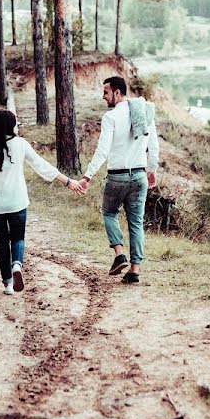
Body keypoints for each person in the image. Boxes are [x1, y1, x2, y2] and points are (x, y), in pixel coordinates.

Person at [0, 110, 84, 295]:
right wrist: (69, 182)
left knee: (2, 242)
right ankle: (17, 265)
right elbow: (42, 166)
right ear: (11, 126)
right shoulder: (20, 144)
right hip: (17, 202)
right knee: (18, 238)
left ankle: (7, 285)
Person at [80, 76, 160, 284]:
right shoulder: (144, 112)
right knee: (136, 223)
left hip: (117, 177)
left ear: (117, 92)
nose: (103, 96)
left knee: (108, 213)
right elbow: (154, 144)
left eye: (106, 92)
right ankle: (134, 271)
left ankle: (119, 254)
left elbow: (103, 150)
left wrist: (87, 176)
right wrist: (151, 170)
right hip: (140, 176)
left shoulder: (111, 117)